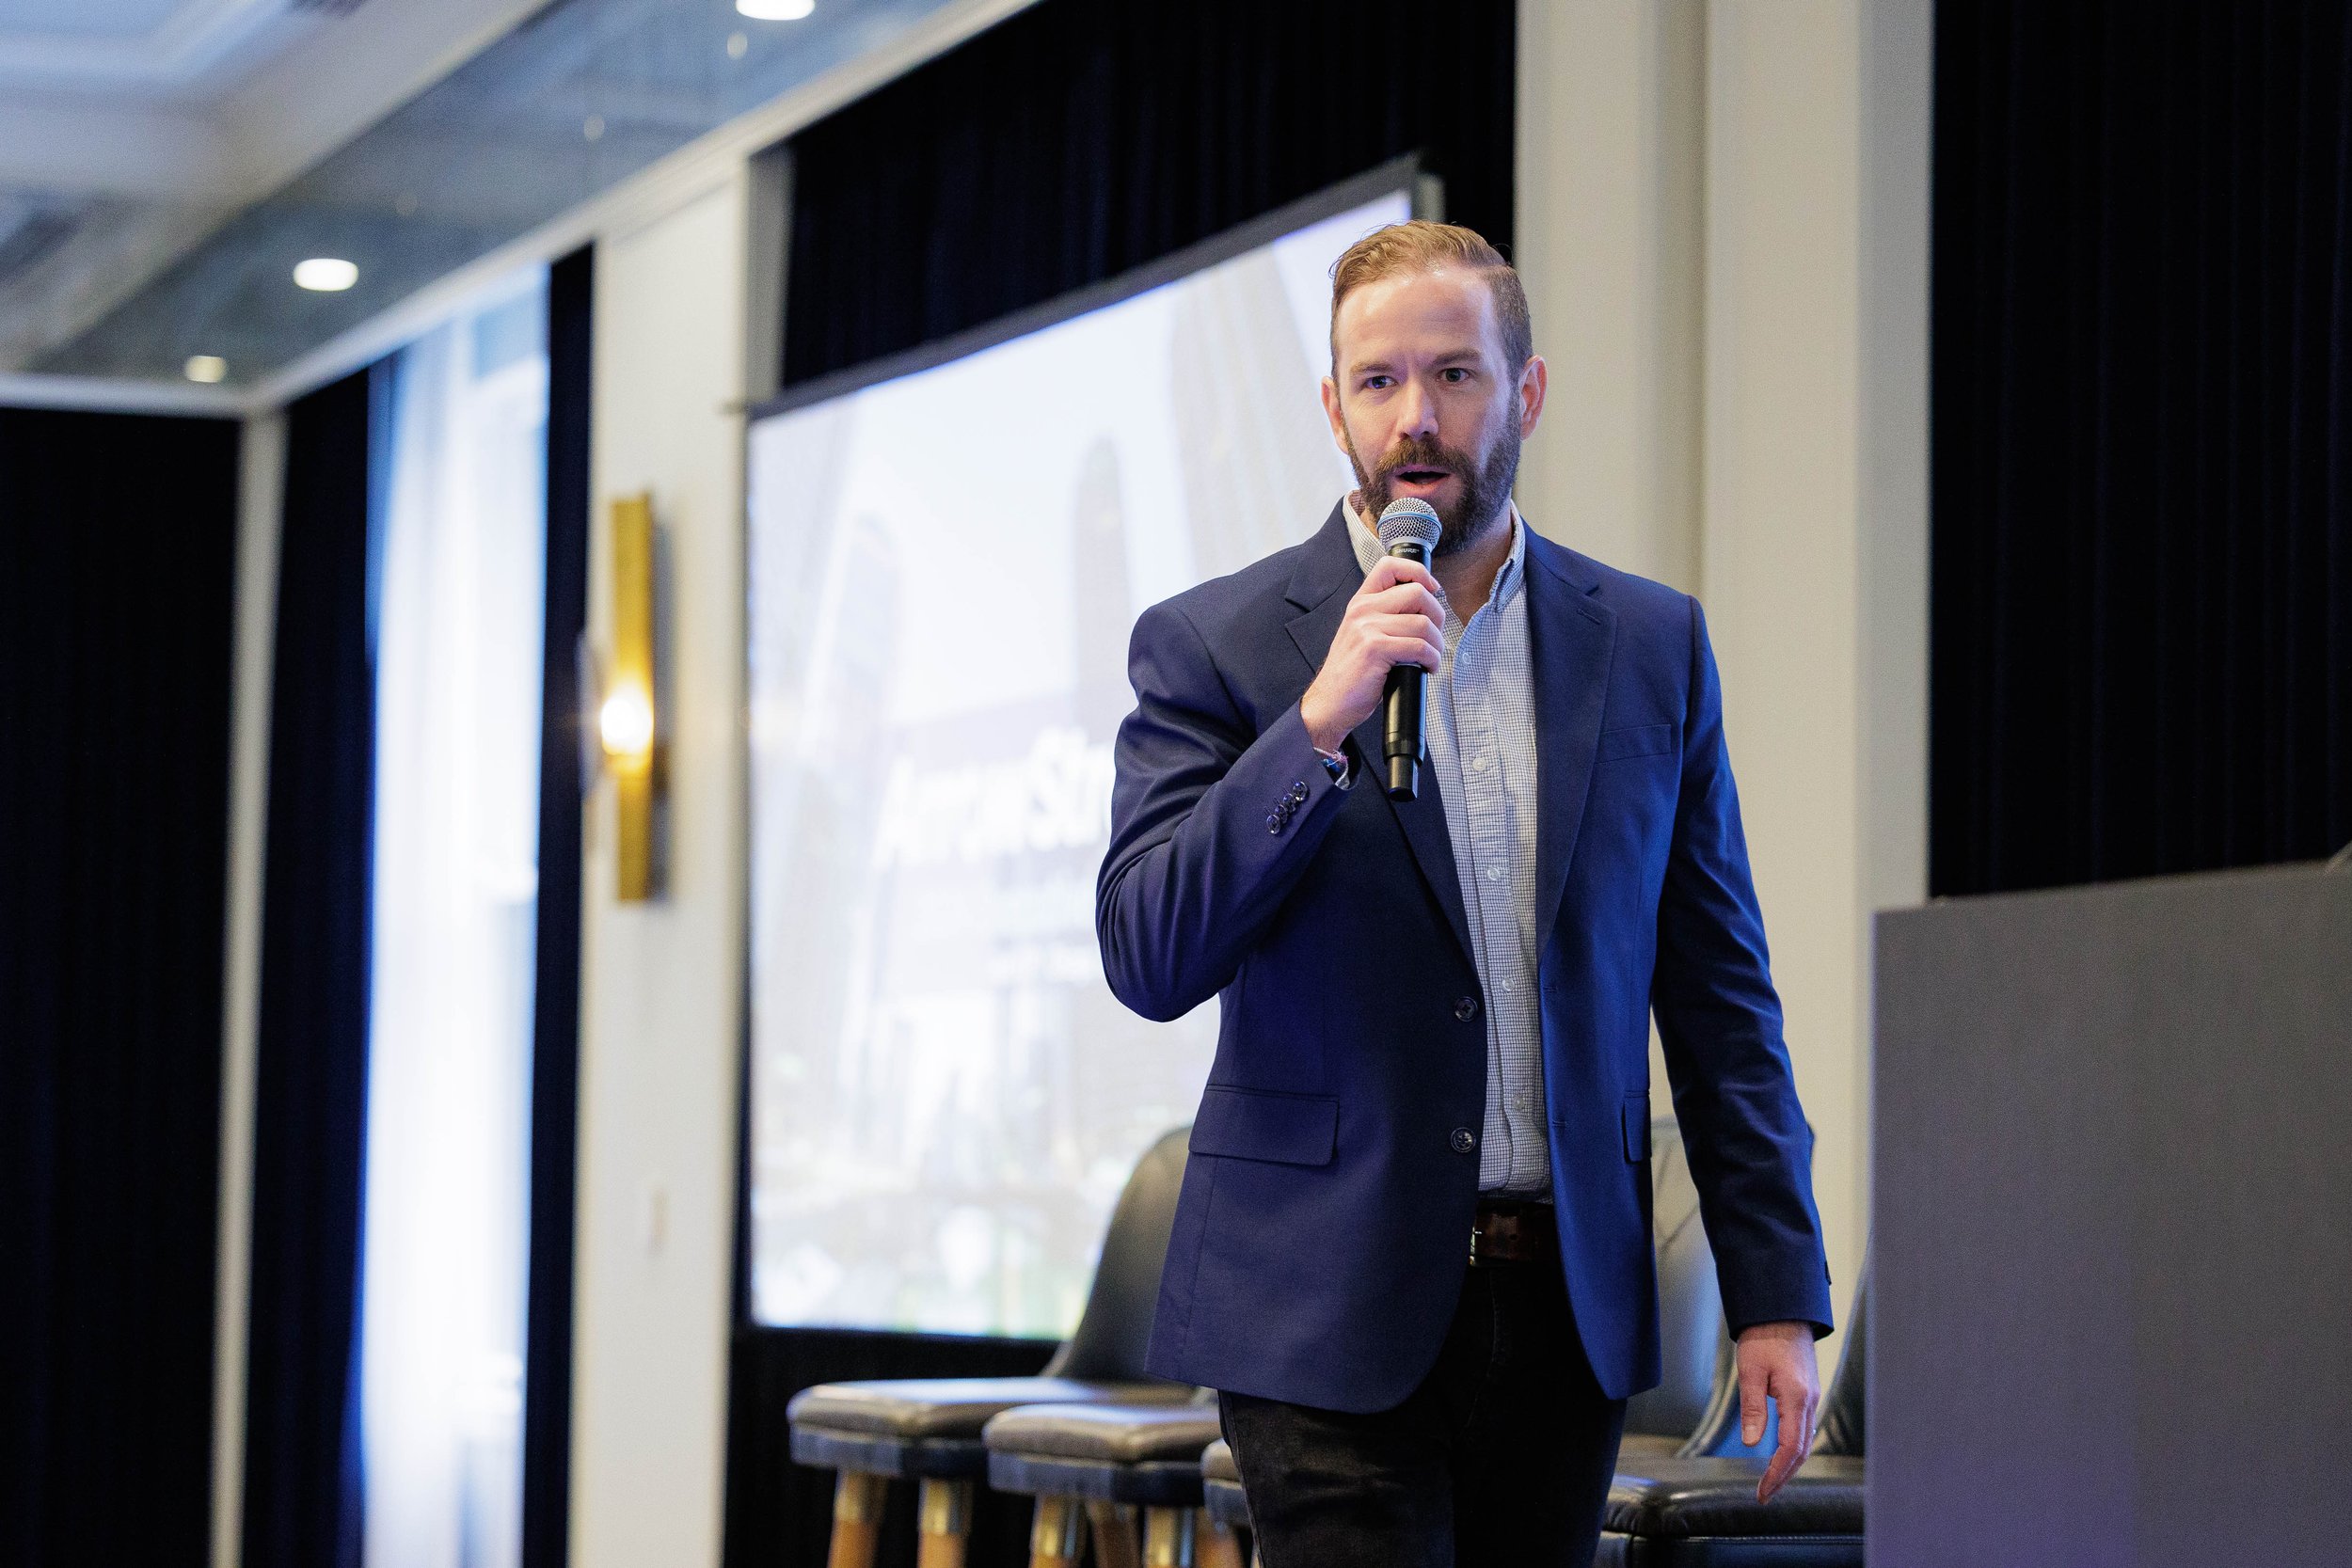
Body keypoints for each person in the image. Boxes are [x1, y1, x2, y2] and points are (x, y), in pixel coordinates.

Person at [1093, 221, 1835, 1566]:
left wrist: (1774, 1295)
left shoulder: (1651, 645)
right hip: (1320, 1306)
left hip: (1568, 1314)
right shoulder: (1217, 646)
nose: (1415, 420)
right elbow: (1148, 950)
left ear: (1528, 392)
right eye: (1377, 383)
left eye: (1455, 375)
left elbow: (1721, 989)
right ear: (1331, 408)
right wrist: (1318, 723)